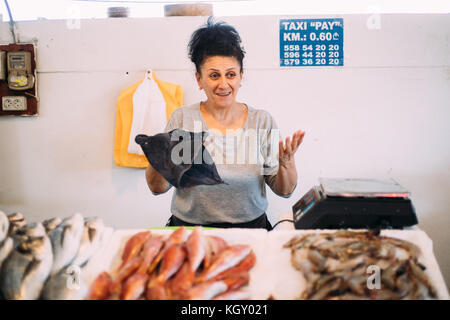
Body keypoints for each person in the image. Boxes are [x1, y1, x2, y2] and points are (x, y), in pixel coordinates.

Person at [145, 17, 305, 230]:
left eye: (230, 74)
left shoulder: (261, 121)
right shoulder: (183, 118)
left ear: (240, 76)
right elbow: (157, 188)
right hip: (191, 232)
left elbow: (284, 191)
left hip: (251, 231)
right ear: (199, 80)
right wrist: (158, 157)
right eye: (213, 75)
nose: (223, 84)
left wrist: (286, 164)